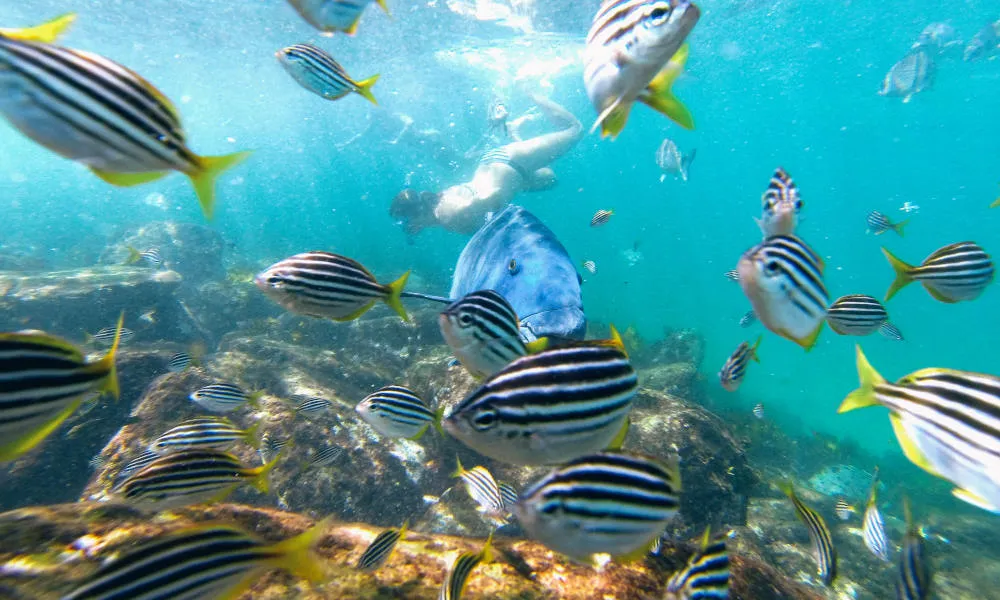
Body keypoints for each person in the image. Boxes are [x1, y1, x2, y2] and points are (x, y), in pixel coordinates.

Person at [391, 93, 583, 235]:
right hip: (499, 168)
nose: (409, 227)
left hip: (511, 163)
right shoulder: (437, 207)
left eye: (406, 221)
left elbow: (493, 195)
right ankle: (514, 132)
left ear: (416, 215)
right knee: (550, 179)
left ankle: (528, 90)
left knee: (575, 130)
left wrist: (494, 209)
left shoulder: (448, 214)